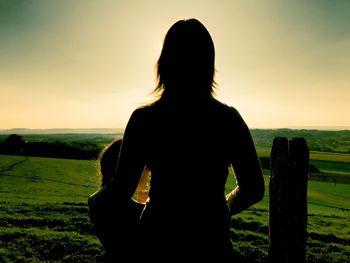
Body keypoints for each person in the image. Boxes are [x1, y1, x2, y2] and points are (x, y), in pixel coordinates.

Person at [109, 18, 265, 261]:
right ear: (208, 65)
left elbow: (118, 194)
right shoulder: (228, 120)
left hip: (157, 243)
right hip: (212, 245)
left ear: (163, 64)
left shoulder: (145, 120)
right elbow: (254, 188)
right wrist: (218, 207)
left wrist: (96, 203)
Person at [88, 138, 149, 260]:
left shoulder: (95, 201)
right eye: (146, 169)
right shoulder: (134, 211)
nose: (148, 174)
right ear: (133, 171)